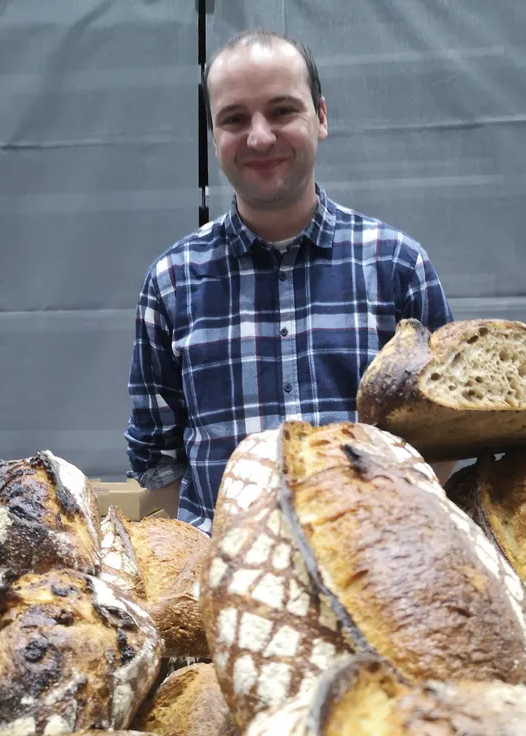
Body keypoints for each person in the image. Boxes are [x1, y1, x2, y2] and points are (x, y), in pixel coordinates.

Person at [124, 29, 455, 534]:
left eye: (282, 111)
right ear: (214, 135)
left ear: (320, 117)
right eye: (234, 119)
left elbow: (444, 434)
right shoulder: (171, 283)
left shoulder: (397, 266)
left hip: (369, 564)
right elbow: (158, 460)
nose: (259, 137)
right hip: (220, 568)